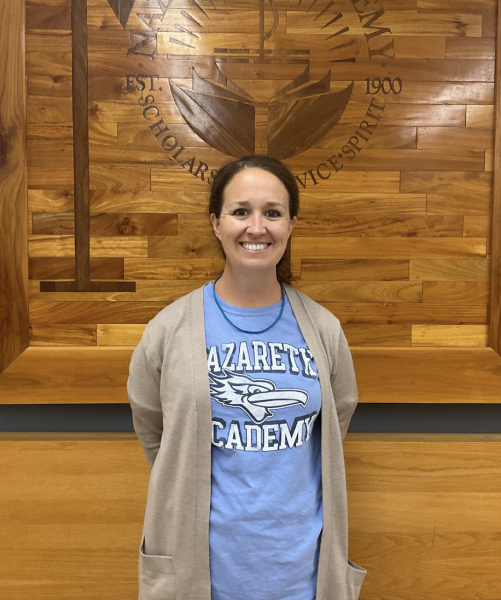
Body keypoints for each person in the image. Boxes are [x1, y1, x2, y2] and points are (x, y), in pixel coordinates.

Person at [127, 155, 367, 600]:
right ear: (216, 223)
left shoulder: (323, 329)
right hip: (201, 574)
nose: (257, 228)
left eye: (272, 213)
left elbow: (337, 417)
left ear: (291, 224)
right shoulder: (169, 329)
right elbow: (153, 425)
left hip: (302, 575)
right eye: (241, 212)